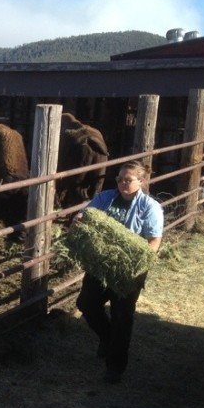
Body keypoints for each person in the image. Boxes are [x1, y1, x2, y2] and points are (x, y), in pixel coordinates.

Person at [73, 160, 164, 383]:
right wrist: (78, 218)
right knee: (86, 304)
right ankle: (108, 337)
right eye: (120, 179)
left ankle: (115, 367)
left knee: (122, 315)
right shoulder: (106, 198)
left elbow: (154, 240)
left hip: (128, 269)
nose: (123, 183)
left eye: (128, 180)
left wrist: (137, 267)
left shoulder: (150, 207)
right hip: (101, 264)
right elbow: (86, 214)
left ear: (141, 181)